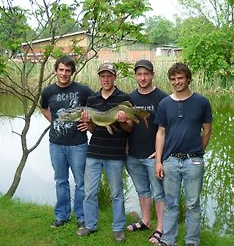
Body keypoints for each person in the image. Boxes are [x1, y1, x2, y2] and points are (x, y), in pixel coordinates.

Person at [154, 62, 213, 246]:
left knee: (193, 205)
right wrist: (158, 161)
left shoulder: (201, 102)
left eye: (180, 78)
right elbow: (160, 133)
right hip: (170, 161)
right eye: (173, 79)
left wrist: (198, 152)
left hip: (193, 162)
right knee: (170, 204)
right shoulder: (164, 104)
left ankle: (192, 241)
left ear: (188, 78)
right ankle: (168, 240)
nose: (177, 82)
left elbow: (207, 130)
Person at [76, 62, 133, 242]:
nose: (106, 79)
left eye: (109, 76)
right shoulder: (92, 100)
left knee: (116, 193)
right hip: (94, 152)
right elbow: (93, 130)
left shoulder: (123, 99)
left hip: (115, 154)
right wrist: (89, 123)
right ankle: (90, 225)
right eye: (103, 76)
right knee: (89, 192)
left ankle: (118, 228)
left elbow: (130, 129)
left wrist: (124, 121)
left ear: (115, 77)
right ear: (99, 78)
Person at [40, 55, 94, 229]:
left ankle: (81, 216)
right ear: (56, 71)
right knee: (61, 181)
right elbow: (43, 107)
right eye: (61, 70)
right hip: (56, 144)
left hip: (78, 144)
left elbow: (96, 106)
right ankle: (62, 215)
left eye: (67, 70)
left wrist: (89, 122)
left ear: (72, 72)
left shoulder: (83, 90)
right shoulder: (47, 91)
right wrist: (54, 122)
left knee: (81, 182)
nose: (64, 73)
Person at [125, 59, 168, 244]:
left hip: (153, 157)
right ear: (135, 76)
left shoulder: (163, 98)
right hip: (133, 155)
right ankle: (145, 220)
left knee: (159, 193)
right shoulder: (129, 99)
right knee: (142, 190)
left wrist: (161, 153)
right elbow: (125, 125)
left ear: (152, 74)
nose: (142, 78)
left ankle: (161, 228)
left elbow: (169, 129)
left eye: (146, 74)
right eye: (139, 74)